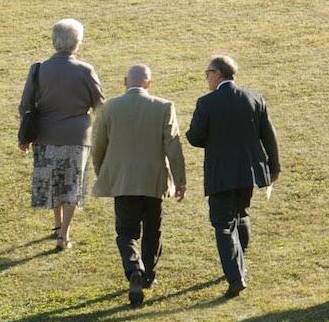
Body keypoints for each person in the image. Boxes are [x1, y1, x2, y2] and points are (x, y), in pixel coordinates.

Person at [90, 63, 187, 307]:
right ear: (149, 84)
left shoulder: (109, 107)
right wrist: (180, 182)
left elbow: (98, 147)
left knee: (126, 232)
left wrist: (104, 173)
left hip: (122, 181)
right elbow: (173, 147)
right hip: (154, 181)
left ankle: (134, 268)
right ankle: (148, 275)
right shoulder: (164, 107)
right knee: (153, 230)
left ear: (125, 82)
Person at [186, 55, 280, 298]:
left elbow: (195, 137)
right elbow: (268, 135)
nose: (206, 78)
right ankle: (240, 255)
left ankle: (236, 276)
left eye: (207, 73)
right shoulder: (254, 97)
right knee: (241, 213)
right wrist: (274, 167)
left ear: (218, 73)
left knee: (223, 224)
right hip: (248, 171)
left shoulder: (206, 103)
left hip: (220, 173)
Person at [17, 19, 105, 253]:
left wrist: (24, 137)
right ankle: (64, 233)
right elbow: (100, 104)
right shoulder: (85, 70)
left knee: (54, 183)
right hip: (77, 136)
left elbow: (25, 105)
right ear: (77, 42)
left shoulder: (38, 68)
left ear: (54, 41)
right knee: (71, 185)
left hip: (45, 136)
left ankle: (57, 224)